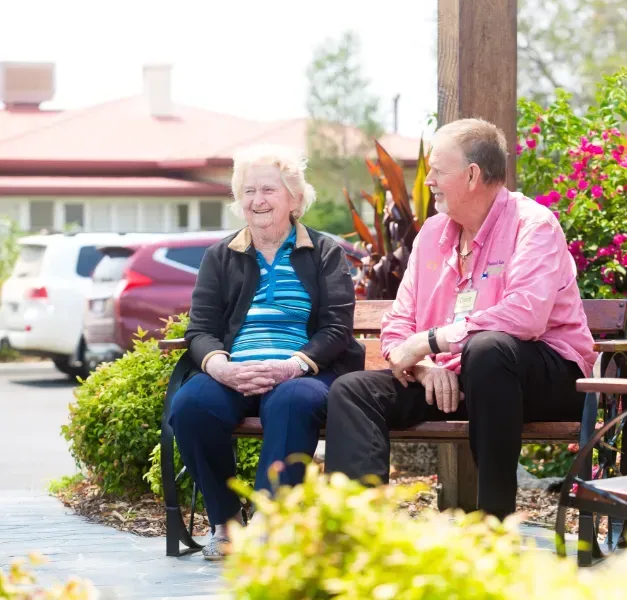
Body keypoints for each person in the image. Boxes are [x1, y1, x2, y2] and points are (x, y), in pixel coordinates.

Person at [324, 118, 597, 520]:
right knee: (352, 390)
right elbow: (398, 324)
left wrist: (433, 340)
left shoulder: (532, 224)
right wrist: (422, 365)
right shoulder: (432, 233)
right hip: (455, 379)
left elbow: (527, 315)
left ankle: (494, 527)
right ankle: (356, 536)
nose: (428, 179)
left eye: (437, 169)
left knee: (488, 349)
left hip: (545, 375)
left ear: (472, 175)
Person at [169, 143, 363, 560]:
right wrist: (221, 368)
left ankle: (269, 522)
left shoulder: (324, 252)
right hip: (235, 371)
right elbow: (200, 330)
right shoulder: (220, 256)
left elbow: (336, 328)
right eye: (249, 191)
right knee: (191, 405)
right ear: (239, 201)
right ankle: (226, 523)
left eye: (269, 190)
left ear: (294, 199)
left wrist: (293, 366)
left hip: (303, 371)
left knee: (293, 401)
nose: (258, 200)